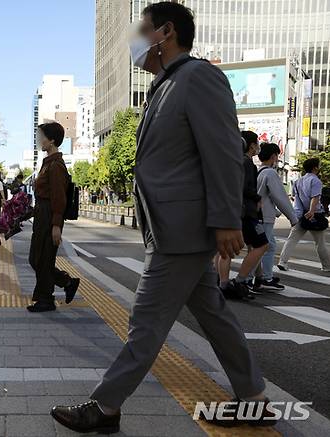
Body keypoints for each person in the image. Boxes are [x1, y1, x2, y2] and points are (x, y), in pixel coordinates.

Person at [51, 4, 273, 433]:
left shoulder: (199, 77)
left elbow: (225, 153)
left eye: (143, 30)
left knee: (146, 321)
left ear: (166, 33)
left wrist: (227, 220)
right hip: (171, 225)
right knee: (213, 314)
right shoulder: (164, 85)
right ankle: (254, 397)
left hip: (184, 231)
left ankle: (106, 406)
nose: (136, 39)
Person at [27, 122, 80, 313]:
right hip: (42, 214)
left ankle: (46, 299)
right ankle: (66, 282)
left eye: (41, 136)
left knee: (43, 259)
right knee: (37, 258)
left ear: (51, 140)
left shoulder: (56, 165)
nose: (38, 140)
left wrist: (56, 225)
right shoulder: (48, 162)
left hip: (49, 215)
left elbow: (59, 197)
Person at [216, 131, 269, 298]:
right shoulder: (246, 163)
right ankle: (239, 281)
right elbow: (243, 188)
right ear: (251, 145)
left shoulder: (229, 162)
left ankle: (223, 284)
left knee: (224, 250)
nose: (258, 148)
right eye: (257, 144)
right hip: (245, 212)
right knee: (262, 244)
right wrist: (257, 197)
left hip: (230, 211)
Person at [253, 143, 297, 289]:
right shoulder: (270, 173)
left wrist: (277, 212)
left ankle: (264, 276)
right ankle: (253, 278)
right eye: (277, 156)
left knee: (267, 246)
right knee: (263, 247)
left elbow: (264, 197)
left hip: (260, 214)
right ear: (273, 157)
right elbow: (279, 197)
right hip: (265, 217)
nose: (277, 159)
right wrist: (292, 217)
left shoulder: (258, 171)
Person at [278, 157, 330, 272]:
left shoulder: (298, 181)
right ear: (315, 167)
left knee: (291, 239)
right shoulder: (315, 180)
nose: (320, 166)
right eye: (319, 165)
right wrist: (311, 211)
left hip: (301, 215)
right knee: (320, 242)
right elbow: (315, 197)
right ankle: (326, 266)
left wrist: (297, 215)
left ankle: (282, 261)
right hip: (314, 214)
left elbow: (297, 199)